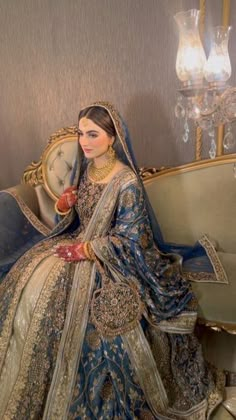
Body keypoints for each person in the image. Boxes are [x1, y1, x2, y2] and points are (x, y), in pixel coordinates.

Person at [0, 102, 224, 419]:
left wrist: (89, 251)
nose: (84, 142)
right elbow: (79, 218)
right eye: (80, 134)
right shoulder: (87, 170)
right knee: (30, 272)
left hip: (110, 260)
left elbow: (134, 239)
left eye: (93, 134)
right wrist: (65, 206)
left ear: (112, 137)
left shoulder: (127, 182)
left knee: (71, 303)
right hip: (77, 243)